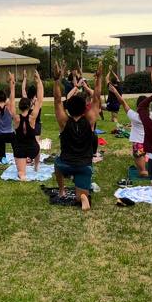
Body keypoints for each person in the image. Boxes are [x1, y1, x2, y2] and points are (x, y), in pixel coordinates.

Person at [53, 60, 103, 210]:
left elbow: (56, 101)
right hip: (84, 166)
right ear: (84, 109)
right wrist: (98, 78)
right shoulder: (90, 120)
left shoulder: (64, 121)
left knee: (56, 163)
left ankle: (62, 190)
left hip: (66, 164)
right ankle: (82, 197)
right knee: (81, 194)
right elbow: (96, 98)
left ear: (69, 109)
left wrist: (57, 80)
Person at [109, 84, 147, 177]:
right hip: (148, 142)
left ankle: (144, 171)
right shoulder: (151, 116)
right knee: (141, 160)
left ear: (138, 105)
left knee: (140, 165)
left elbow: (122, 102)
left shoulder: (134, 116)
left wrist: (115, 91)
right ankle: (144, 170)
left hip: (138, 143)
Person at [12, 70, 44, 180]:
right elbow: (39, 100)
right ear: (29, 105)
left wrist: (12, 85)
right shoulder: (32, 117)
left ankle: (23, 175)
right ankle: (36, 166)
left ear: (19, 107)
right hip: (33, 149)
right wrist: (38, 81)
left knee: (21, 173)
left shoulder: (16, 118)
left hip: (20, 149)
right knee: (37, 146)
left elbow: (11, 103)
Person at [0, 68, 16, 162]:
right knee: (16, 148)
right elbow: (12, 91)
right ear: (6, 99)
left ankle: (2, 157)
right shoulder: (9, 106)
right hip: (10, 134)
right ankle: (17, 156)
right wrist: (11, 80)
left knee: (1, 154)